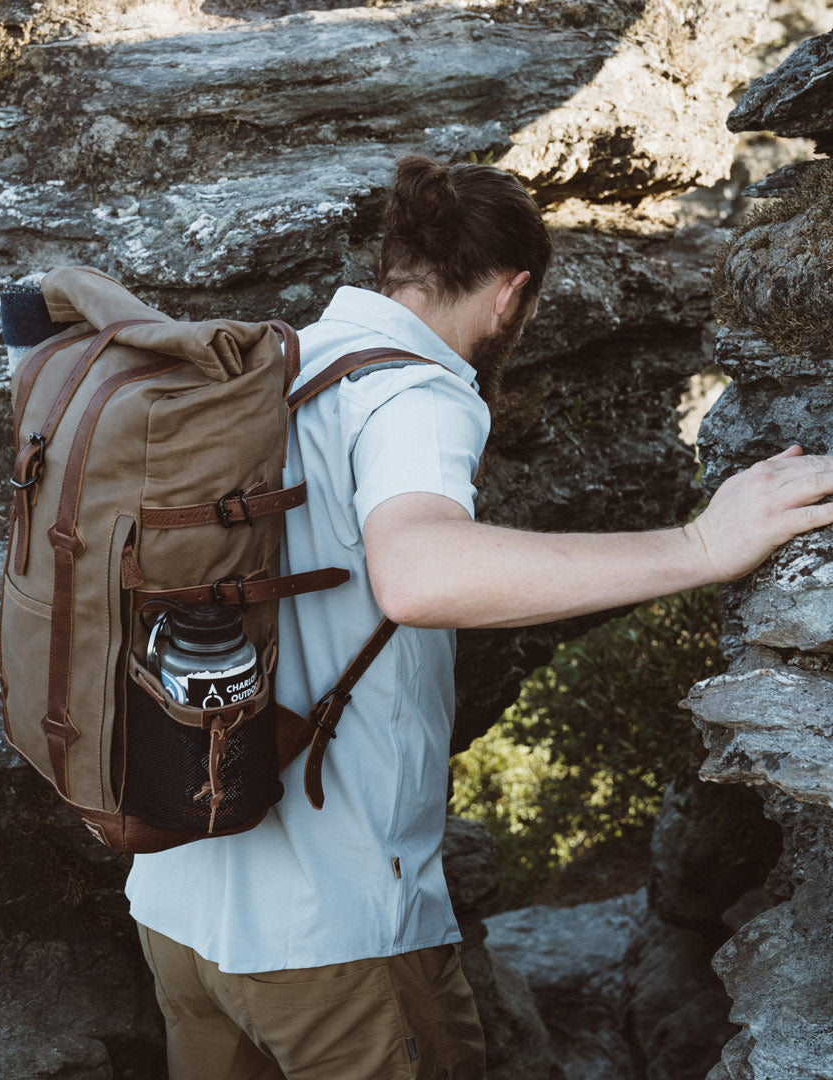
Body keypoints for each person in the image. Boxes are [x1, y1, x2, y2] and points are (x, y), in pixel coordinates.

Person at [124, 155, 833, 1080]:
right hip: (333, 933)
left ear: (396, 266)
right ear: (512, 296)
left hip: (179, 907)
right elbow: (420, 576)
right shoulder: (416, 392)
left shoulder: (273, 373)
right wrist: (702, 548)